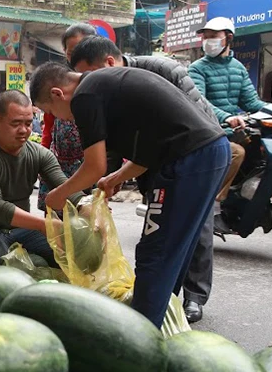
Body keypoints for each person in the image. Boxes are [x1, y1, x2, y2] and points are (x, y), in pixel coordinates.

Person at [30, 63, 230, 328]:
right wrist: (115, 178)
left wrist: (57, 195)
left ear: (57, 93)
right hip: (212, 152)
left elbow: (94, 166)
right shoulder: (105, 85)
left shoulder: (84, 97)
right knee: (177, 249)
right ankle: (165, 323)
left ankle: (140, 336)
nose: (61, 120)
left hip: (189, 159)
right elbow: (148, 151)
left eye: (50, 112)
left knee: (155, 252)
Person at [69, 35, 219, 324]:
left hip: (191, 157)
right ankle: (164, 307)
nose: (82, 83)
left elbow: (194, 117)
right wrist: (100, 191)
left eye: (86, 74)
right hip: (155, 164)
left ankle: (189, 300)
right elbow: (107, 151)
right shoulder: (105, 89)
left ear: (109, 62)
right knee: (163, 239)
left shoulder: (162, 70)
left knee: (189, 235)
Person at [0, 90, 84, 271]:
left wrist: (86, 204)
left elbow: (64, 186)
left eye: (28, 123)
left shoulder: (40, 154)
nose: (24, 130)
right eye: (15, 123)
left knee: (71, 255)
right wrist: (44, 225)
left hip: (22, 229)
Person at [188, 17, 257, 234]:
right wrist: (226, 117)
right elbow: (199, 101)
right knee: (235, 153)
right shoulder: (197, 68)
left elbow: (252, 102)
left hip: (232, 130)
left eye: (213, 37)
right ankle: (213, 207)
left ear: (228, 38)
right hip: (208, 132)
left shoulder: (238, 68)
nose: (208, 41)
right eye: (205, 37)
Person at [35, 23, 97, 210]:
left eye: (81, 49)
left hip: (88, 164)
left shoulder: (99, 85)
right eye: (71, 52)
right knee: (56, 221)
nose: (76, 56)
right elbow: (48, 128)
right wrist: (43, 156)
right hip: (59, 163)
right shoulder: (59, 81)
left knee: (87, 219)